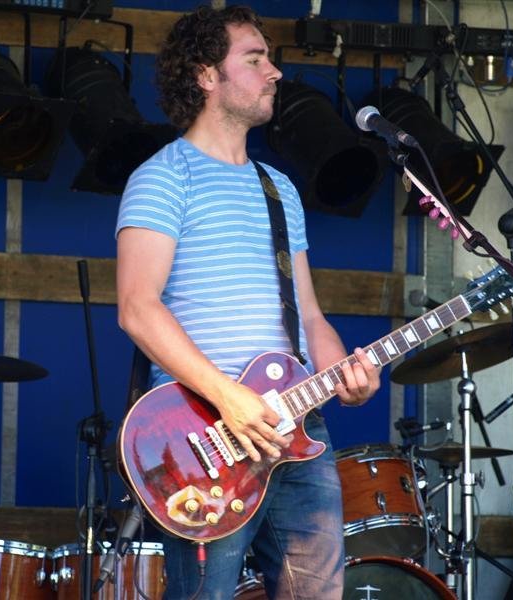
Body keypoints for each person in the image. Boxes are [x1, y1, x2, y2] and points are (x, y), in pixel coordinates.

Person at [115, 5, 381, 599]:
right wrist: (227, 395)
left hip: (297, 426)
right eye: (255, 59)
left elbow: (308, 315)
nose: (275, 72)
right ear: (206, 75)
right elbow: (136, 307)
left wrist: (347, 373)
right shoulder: (164, 177)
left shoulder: (277, 187)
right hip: (204, 438)